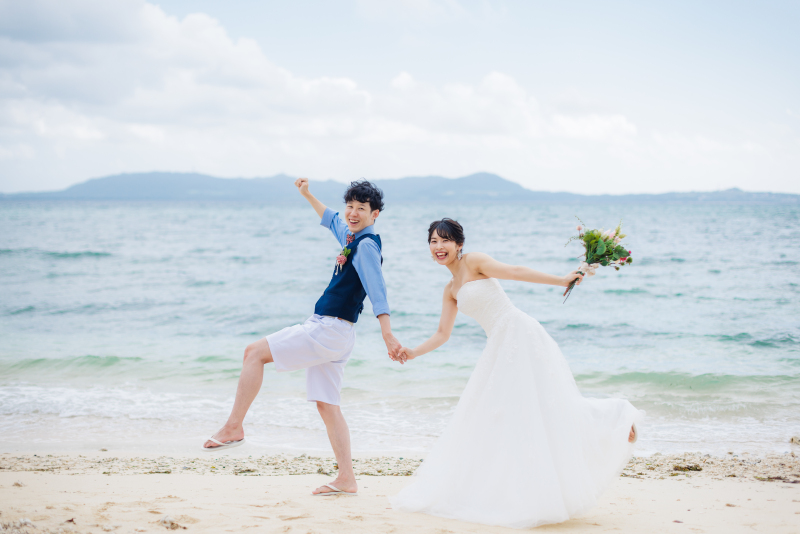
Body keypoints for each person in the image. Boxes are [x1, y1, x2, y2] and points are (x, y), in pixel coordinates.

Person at [390, 218, 643, 528]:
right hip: (498, 344)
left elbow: (515, 272)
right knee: (509, 416)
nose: (439, 247)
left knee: (547, 403)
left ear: (459, 244)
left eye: (445, 241)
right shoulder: (450, 289)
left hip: (520, 334)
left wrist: (560, 280)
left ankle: (616, 415)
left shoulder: (475, 262)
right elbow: (443, 334)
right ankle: (519, 491)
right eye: (433, 241)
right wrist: (412, 352)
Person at [203, 178, 401, 497]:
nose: (351, 212)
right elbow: (332, 219)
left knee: (253, 353)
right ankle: (347, 479)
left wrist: (387, 335)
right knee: (327, 405)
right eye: (350, 206)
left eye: (360, 209)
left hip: (328, 329)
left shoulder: (365, 246)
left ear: (374, 214)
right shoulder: (353, 235)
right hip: (339, 334)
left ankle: (233, 427)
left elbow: (378, 292)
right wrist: (308, 194)